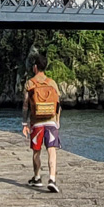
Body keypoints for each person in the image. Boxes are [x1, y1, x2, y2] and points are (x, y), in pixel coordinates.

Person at [21, 51, 61, 192]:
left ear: (35, 67)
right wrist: (57, 121)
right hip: (51, 121)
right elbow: (58, 104)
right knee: (51, 150)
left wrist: (25, 123)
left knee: (36, 151)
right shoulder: (52, 83)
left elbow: (26, 105)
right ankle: (52, 179)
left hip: (36, 122)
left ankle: (37, 177)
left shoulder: (30, 83)